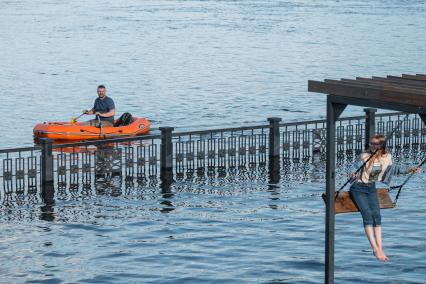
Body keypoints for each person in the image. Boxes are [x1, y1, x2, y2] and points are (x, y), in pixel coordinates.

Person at [350, 134, 421, 262]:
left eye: (375, 144)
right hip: (358, 188)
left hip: (371, 187)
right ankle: (375, 249)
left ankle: (380, 248)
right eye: (371, 143)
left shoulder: (387, 157)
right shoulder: (364, 156)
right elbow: (354, 167)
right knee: (367, 215)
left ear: (381, 146)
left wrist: (410, 169)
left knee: (377, 216)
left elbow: (394, 170)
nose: (372, 146)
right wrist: (353, 174)